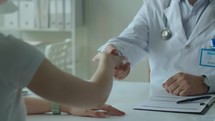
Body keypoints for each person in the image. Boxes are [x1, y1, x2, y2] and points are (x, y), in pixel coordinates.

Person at [0, 1, 125, 121]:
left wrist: (65, 106)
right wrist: (107, 61)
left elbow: (6, 99)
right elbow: (96, 96)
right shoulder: (10, 50)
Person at [98, 0, 215, 96]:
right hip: (161, 102)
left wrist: (206, 82)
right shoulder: (156, 3)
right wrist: (116, 53)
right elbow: (131, 39)